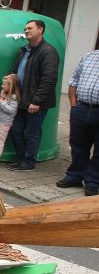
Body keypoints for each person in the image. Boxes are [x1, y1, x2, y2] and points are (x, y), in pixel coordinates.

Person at [6, 19, 59, 171]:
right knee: (16, 129)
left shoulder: (48, 52)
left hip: (36, 102)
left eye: (30, 28)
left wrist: (37, 101)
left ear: (40, 30)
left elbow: (49, 79)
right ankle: (21, 159)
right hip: (21, 99)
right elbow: (14, 71)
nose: (26, 31)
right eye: (25, 28)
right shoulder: (25, 50)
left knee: (32, 132)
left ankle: (29, 162)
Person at [57, 49, 99, 195]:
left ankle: (92, 181)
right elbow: (74, 80)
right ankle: (75, 175)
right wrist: (74, 106)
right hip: (82, 108)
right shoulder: (89, 56)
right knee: (77, 145)